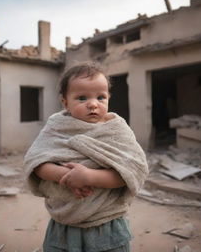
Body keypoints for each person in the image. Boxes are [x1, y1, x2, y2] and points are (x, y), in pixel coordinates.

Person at [24, 62, 149, 252]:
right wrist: (64, 176)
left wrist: (89, 177)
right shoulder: (56, 127)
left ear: (108, 98)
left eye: (101, 97)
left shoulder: (117, 130)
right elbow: (36, 163)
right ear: (65, 102)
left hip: (107, 223)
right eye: (82, 98)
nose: (93, 104)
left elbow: (132, 172)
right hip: (65, 224)